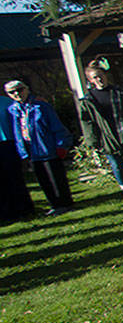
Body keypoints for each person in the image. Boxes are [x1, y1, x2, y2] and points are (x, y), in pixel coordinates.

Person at [77, 64, 123, 200]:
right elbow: (87, 123)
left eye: (101, 76)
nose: (99, 79)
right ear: (91, 80)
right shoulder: (89, 100)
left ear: (105, 75)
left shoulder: (119, 93)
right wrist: (92, 141)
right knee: (116, 165)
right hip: (106, 137)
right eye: (95, 77)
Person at [5, 80, 76, 215]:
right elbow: (17, 132)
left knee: (56, 178)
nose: (17, 94)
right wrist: (22, 151)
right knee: (43, 179)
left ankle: (65, 203)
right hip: (31, 150)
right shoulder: (13, 110)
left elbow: (56, 126)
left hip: (48, 148)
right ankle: (54, 204)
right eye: (12, 92)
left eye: (19, 90)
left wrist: (62, 145)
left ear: (26, 89)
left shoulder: (41, 106)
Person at [0, 89, 36, 222]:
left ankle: (24, 208)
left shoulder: (7, 103)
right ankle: (6, 212)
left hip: (9, 143)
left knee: (14, 176)